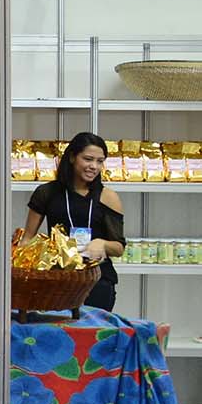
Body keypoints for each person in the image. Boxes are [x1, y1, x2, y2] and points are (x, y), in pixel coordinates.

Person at [23, 133, 126, 311]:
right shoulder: (46, 193)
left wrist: (101, 244)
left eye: (100, 161)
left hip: (97, 280)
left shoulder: (108, 197)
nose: (94, 166)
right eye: (88, 159)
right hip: (56, 282)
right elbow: (27, 239)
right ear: (72, 157)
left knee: (92, 335)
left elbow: (119, 247)